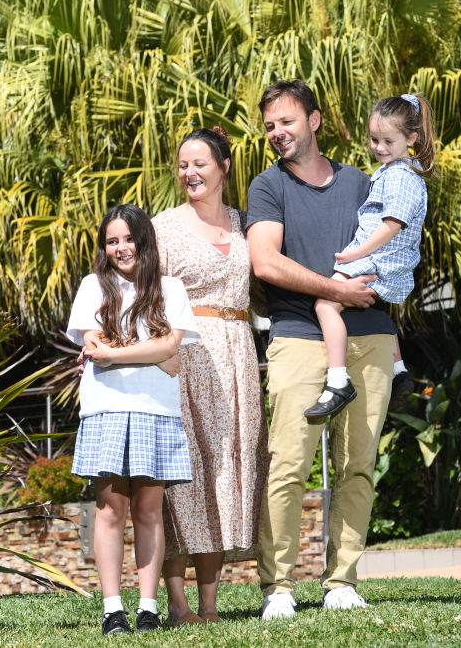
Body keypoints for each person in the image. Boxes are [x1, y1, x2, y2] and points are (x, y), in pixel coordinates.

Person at [246, 79, 397, 619]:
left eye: (286, 121)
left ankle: (342, 580)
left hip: (372, 333)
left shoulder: (361, 181)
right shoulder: (268, 187)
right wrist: (335, 291)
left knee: (358, 463)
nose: (277, 133)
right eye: (268, 126)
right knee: (288, 463)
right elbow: (265, 262)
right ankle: (279, 587)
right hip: (298, 336)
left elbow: (396, 241)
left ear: (313, 120)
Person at [151, 127, 268, 626]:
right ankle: (177, 604)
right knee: (185, 477)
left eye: (200, 163)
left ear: (223, 167)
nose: (189, 173)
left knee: (226, 476)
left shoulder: (248, 223)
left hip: (239, 355)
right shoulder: (161, 227)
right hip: (185, 358)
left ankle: (210, 605)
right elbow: (144, 299)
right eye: (182, 165)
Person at [67, 203, 199, 635]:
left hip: (156, 413)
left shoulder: (171, 288)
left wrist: (130, 353)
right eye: (112, 241)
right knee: (109, 509)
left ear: (145, 241)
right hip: (105, 410)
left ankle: (147, 608)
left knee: (149, 510)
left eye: (129, 239)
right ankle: (112, 611)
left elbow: (168, 348)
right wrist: (157, 353)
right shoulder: (92, 286)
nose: (121, 248)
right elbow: (98, 344)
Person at [305, 94, 435, 418]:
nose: (379, 147)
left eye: (388, 141)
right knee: (368, 305)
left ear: (412, 138)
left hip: (378, 258)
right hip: (385, 260)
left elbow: (392, 223)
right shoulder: (397, 169)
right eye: (375, 139)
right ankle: (398, 369)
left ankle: (338, 381)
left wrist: (355, 253)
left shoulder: (402, 176)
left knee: (326, 304)